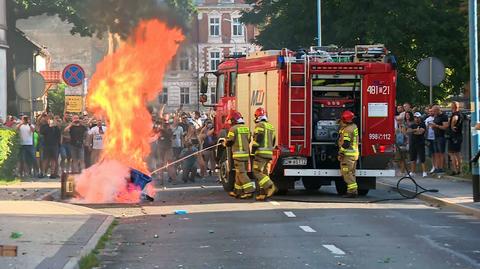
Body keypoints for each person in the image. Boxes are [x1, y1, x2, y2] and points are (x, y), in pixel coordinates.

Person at [225, 111, 255, 199]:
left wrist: (225, 143)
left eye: (231, 120)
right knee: (238, 173)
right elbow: (249, 140)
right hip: (246, 155)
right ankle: (237, 191)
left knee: (241, 173)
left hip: (238, 156)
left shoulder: (233, 129)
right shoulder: (246, 128)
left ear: (234, 120)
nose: (230, 122)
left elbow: (229, 142)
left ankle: (249, 190)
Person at [251, 107, 277, 201]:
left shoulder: (259, 125)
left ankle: (270, 185)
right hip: (269, 154)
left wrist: (252, 152)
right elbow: (273, 141)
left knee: (257, 172)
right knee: (265, 174)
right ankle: (263, 194)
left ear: (257, 116)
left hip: (260, 154)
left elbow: (257, 139)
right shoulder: (271, 127)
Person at [338, 110, 359, 198]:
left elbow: (346, 144)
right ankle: (352, 191)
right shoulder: (354, 126)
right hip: (354, 155)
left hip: (347, 156)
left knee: (347, 173)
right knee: (352, 173)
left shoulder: (347, 130)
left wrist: (341, 152)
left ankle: (352, 192)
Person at [407, 112, 427, 177]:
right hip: (412, 143)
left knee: (422, 158)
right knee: (412, 158)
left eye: (418, 117)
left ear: (420, 118)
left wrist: (414, 131)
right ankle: (412, 172)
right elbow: (408, 131)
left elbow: (420, 132)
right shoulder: (412, 124)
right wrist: (415, 130)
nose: (416, 119)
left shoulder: (423, 124)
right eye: (415, 117)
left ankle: (424, 172)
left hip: (420, 143)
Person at [431, 105, 449, 174]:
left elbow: (445, 127)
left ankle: (441, 167)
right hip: (436, 136)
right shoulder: (436, 116)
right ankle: (437, 167)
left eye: (434, 111)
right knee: (436, 153)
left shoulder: (444, 116)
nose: (433, 113)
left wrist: (436, 126)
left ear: (437, 110)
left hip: (441, 136)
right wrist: (433, 127)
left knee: (441, 153)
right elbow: (435, 125)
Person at [448, 101, 463, 175]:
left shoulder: (455, 114)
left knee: (452, 153)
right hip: (459, 136)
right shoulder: (460, 114)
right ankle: (459, 170)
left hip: (454, 136)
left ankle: (455, 170)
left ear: (453, 106)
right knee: (457, 153)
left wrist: (451, 126)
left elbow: (455, 119)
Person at [424, 107, 436, 173]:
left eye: (432, 111)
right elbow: (425, 128)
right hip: (429, 138)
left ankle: (438, 166)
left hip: (436, 138)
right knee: (431, 154)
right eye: (430, 111)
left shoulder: (436, 118)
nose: (431, 113)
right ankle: (433, 166)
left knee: (437, 153)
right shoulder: (427, 119)